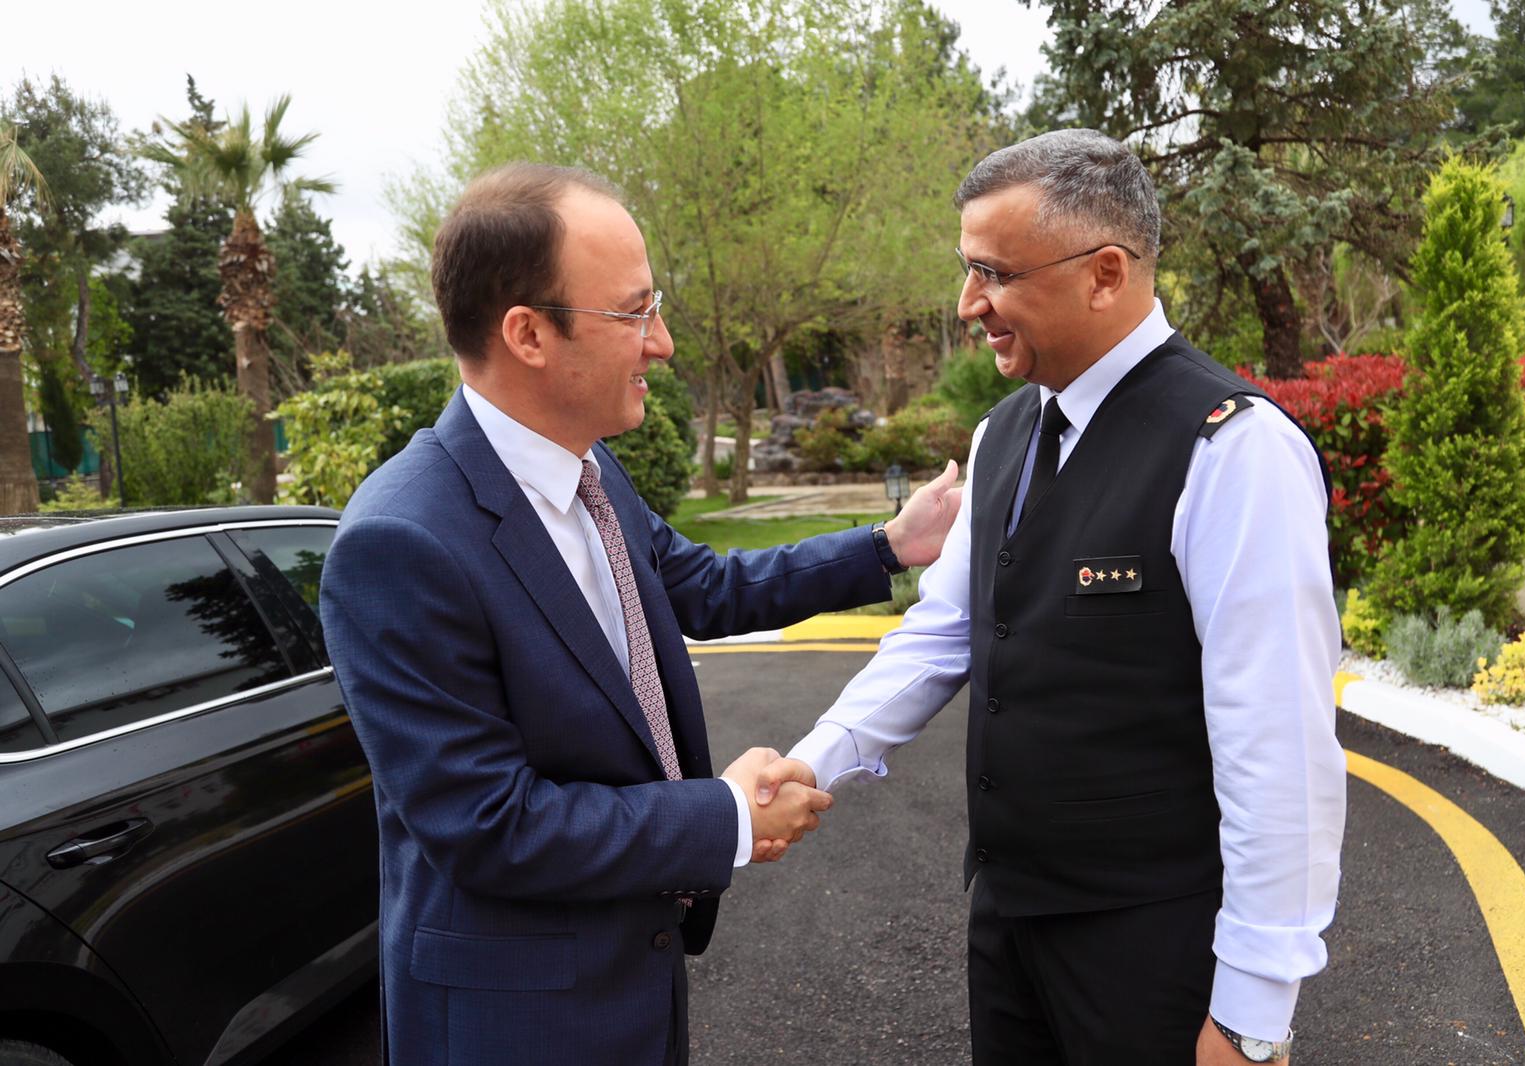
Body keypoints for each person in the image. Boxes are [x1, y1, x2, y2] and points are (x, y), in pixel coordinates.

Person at [319, 162, 961, 1066]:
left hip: (635, 983)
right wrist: (727, 817)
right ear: (528, 333)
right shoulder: (400, 542)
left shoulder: (590, 469)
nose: (662, 342)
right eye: (634, 312)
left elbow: (705, 585)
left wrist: (890, 545)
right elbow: (490, 827)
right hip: (518, 1027)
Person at [759, 129, 1347, 1064]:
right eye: (967, 269)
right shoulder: (1002, 435)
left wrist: (1252, 1011)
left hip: (1156, 947)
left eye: (993, 273)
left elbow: (1278, 747)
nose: (968, 304)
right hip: (1010, 925)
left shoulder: (1233, 448)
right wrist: (815, 760)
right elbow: (944, 632)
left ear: (1105, 274)